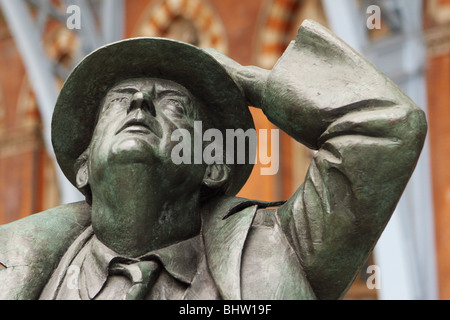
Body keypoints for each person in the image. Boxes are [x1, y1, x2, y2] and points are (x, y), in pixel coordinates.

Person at [0, 20, 427, 300]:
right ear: (83, 165)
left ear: (213, 165)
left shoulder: (279, 249)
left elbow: (387, 126)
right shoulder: (15, 269)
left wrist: (249, 82)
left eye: (174, 104)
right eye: (117, 101)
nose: (140, 101)